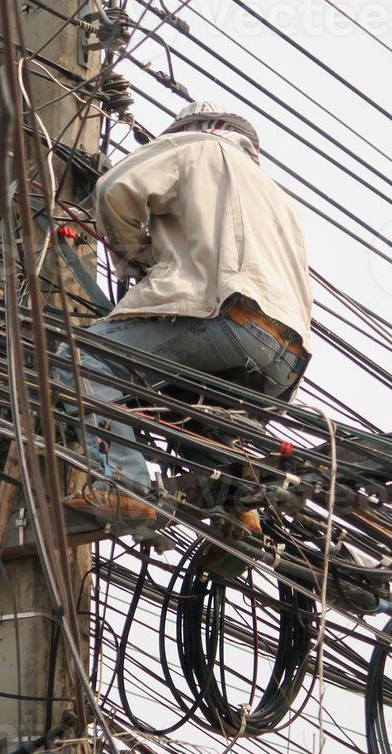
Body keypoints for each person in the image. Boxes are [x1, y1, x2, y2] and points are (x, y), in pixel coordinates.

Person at [62, 102, 313, 526]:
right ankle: (239, 513)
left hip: (221, 315)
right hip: (284, 355)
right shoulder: (277, 197)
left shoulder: (196, 145)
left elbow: (115, 189)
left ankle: (124, 485)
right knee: (190, 414)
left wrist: (139, 260)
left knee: (82, 360)